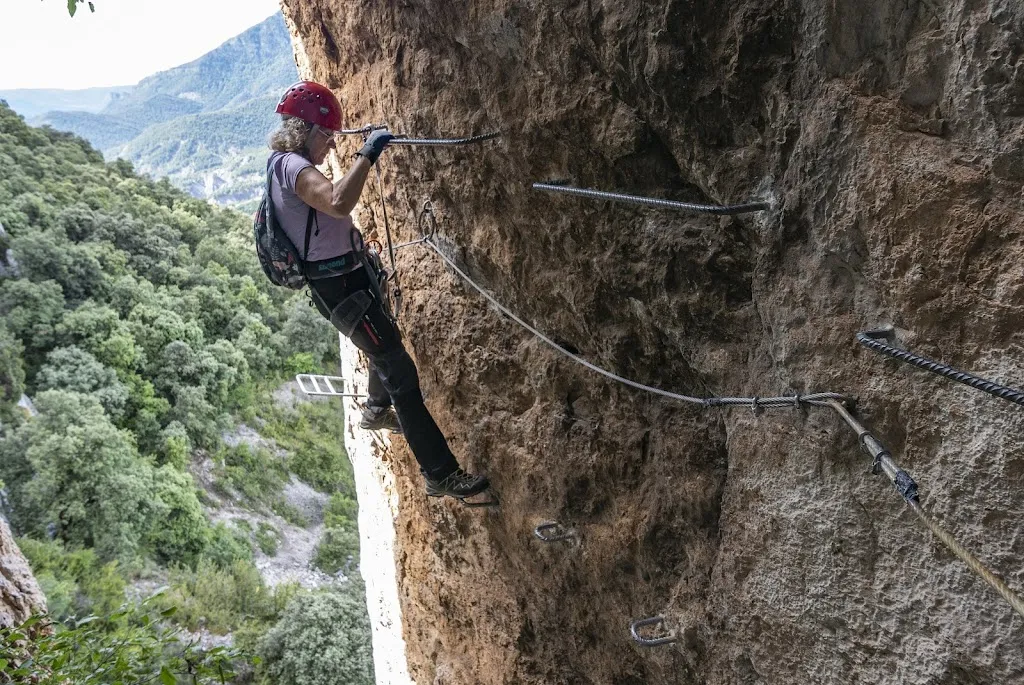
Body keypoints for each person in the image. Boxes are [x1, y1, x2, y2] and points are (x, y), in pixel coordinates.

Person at [267, 81, 489, 500]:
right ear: (305, 131)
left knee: (383, 345)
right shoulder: (294, 167)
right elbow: (335, 201)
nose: (330, 146)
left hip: (344, 281)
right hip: (341, 288)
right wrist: (368, 154)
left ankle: (374, 409)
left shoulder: (281, 164)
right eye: (326, 136)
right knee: (399, 372)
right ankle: (440, 473)